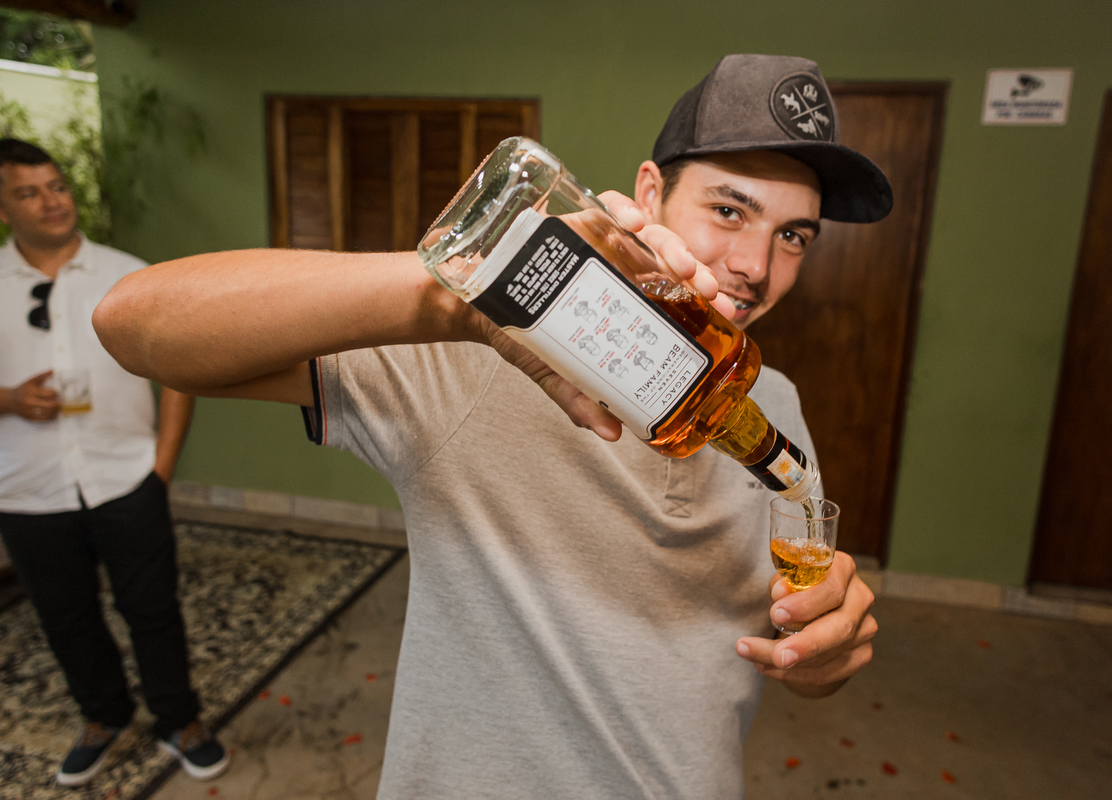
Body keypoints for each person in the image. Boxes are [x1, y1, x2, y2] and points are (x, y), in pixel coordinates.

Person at [94, 55, 890, 799]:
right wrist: (463, 296)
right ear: (649, 195)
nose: (756, 263)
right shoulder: (475, 354)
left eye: (794, 236)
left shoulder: (776, 404)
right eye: (729, 209)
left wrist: (827, 657)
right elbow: (134, 325)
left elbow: (790, 640)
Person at [0, 139, 230, 786]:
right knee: (66, 615)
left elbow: (177, 372)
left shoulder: (130, 272)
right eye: (29, 192)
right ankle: (103, 717)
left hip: (127, 476)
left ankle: (180, 719)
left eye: (56, 185)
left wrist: (161, 465)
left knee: (154, 607)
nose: (51, 200)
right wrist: (3, 398)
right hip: (25, 488)